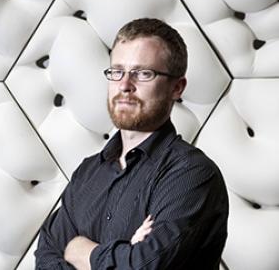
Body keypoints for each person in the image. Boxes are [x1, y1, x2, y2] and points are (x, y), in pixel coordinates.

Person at [35, 18, 229, 270]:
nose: (125, 85)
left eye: (143, 73)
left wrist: (81, 252)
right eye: (117, 71)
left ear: (176, 87)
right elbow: (46, 258)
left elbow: (144, 266)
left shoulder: (193, 175)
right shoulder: (87, 173)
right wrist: (124, 253)